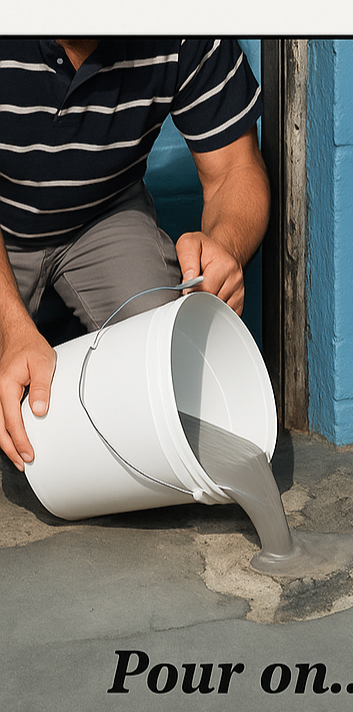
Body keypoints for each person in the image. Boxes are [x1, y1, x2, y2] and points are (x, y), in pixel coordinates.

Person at [0, 38, 269, 472]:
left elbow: (236, 169)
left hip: (103, 213)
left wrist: (225, 244)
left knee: (168, 363)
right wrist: (11, 327)